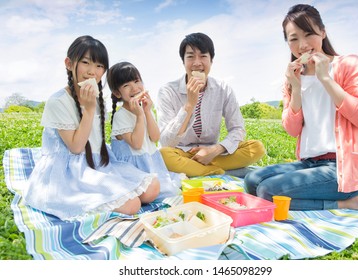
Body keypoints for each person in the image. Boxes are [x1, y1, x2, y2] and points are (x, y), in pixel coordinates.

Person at [244, 4, 358, 212]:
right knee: (252, 180)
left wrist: (325, 78)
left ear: (323, 32)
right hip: (310, 164)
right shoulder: (292, 78)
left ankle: (346, 202)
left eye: (309, 34)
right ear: (287, 42)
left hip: (342, 167)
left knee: (268, 191)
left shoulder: (349, 64)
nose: (303, 44)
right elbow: (292, 130)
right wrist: (296, 88)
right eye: (294, 38)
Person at [24, 35, 160, 221]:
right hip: (70, 171)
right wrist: (88, 110)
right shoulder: (58, 101)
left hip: (98, 163)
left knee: (152, 188)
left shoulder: (96, 98)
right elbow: (76, 147)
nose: (92, 72)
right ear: (69, 64)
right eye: (86, 63)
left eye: (99, 66)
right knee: (132, 204)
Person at [157, 32, 265, 178]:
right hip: (181, 153)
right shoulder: (167, 91)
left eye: (203, 56)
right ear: (183, 62)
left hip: (213, 153)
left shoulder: (223, 89)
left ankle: (196, 170)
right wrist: (189, 104)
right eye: (190, 56)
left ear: (211, 60)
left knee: (256, 148)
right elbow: (166, 142)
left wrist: (215, 149)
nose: (197, 62)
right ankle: (215, 172)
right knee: (163, 155)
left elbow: (237, 128)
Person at [107, 61, 182, 201]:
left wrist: (147, 111)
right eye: (126, 85)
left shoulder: (145, 109)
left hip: (151, 163)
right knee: (154, 192)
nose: (134, 88)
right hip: (134, 168)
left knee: (170, 190)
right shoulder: (120, 116)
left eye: (136, 81)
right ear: (117, 93)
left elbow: (155, 137)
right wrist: (140, 116)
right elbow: (137, 144)